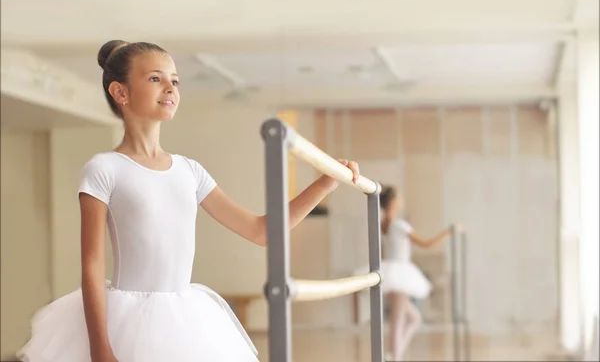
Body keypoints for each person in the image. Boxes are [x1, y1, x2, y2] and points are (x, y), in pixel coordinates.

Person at [17, 40, 362, 362]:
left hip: (186, 317)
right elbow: (92, 266)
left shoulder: (190, 171)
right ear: (120, 91)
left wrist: (323, 185)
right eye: (155, 78)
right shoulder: (104, 169)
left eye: (175, 81)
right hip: (126, 319)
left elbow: (263, 232)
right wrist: (100, 348)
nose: (170, 88)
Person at [378, 185, 463, 361]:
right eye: (399, 198)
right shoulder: (399, 225)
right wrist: (449, 231)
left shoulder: (385, 224)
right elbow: (428, 244)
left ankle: (394, 355)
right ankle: (395, 357)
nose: (402, 201)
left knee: (413, 318)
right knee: (398, 319)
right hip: (400, 274)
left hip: (394, 271)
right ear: (393, 202)